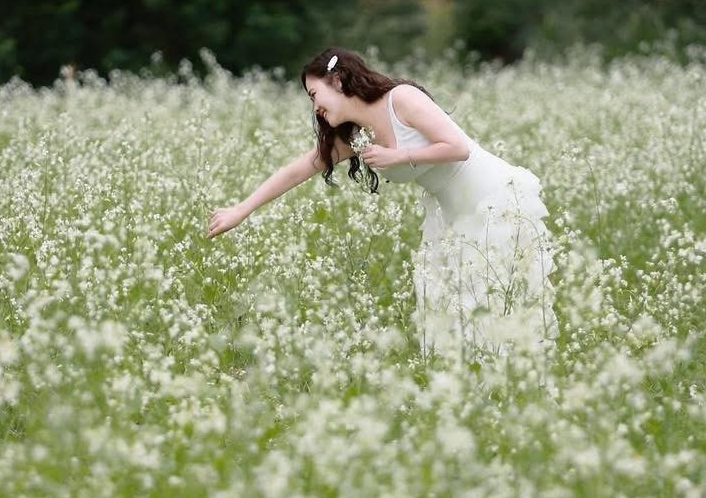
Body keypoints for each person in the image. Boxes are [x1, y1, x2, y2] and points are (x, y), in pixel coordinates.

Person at [208, 46, 558, 363]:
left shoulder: (401, 99)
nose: (315, 106)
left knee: (493, 302)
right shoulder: (358, 136)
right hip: (450, 212)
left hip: (492, 198)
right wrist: (242, 209)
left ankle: (516, 382)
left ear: (339, 80)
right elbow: (299, 169)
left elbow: (457, 147)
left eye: (315, 94)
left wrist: (398, 155)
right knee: (449, 311)